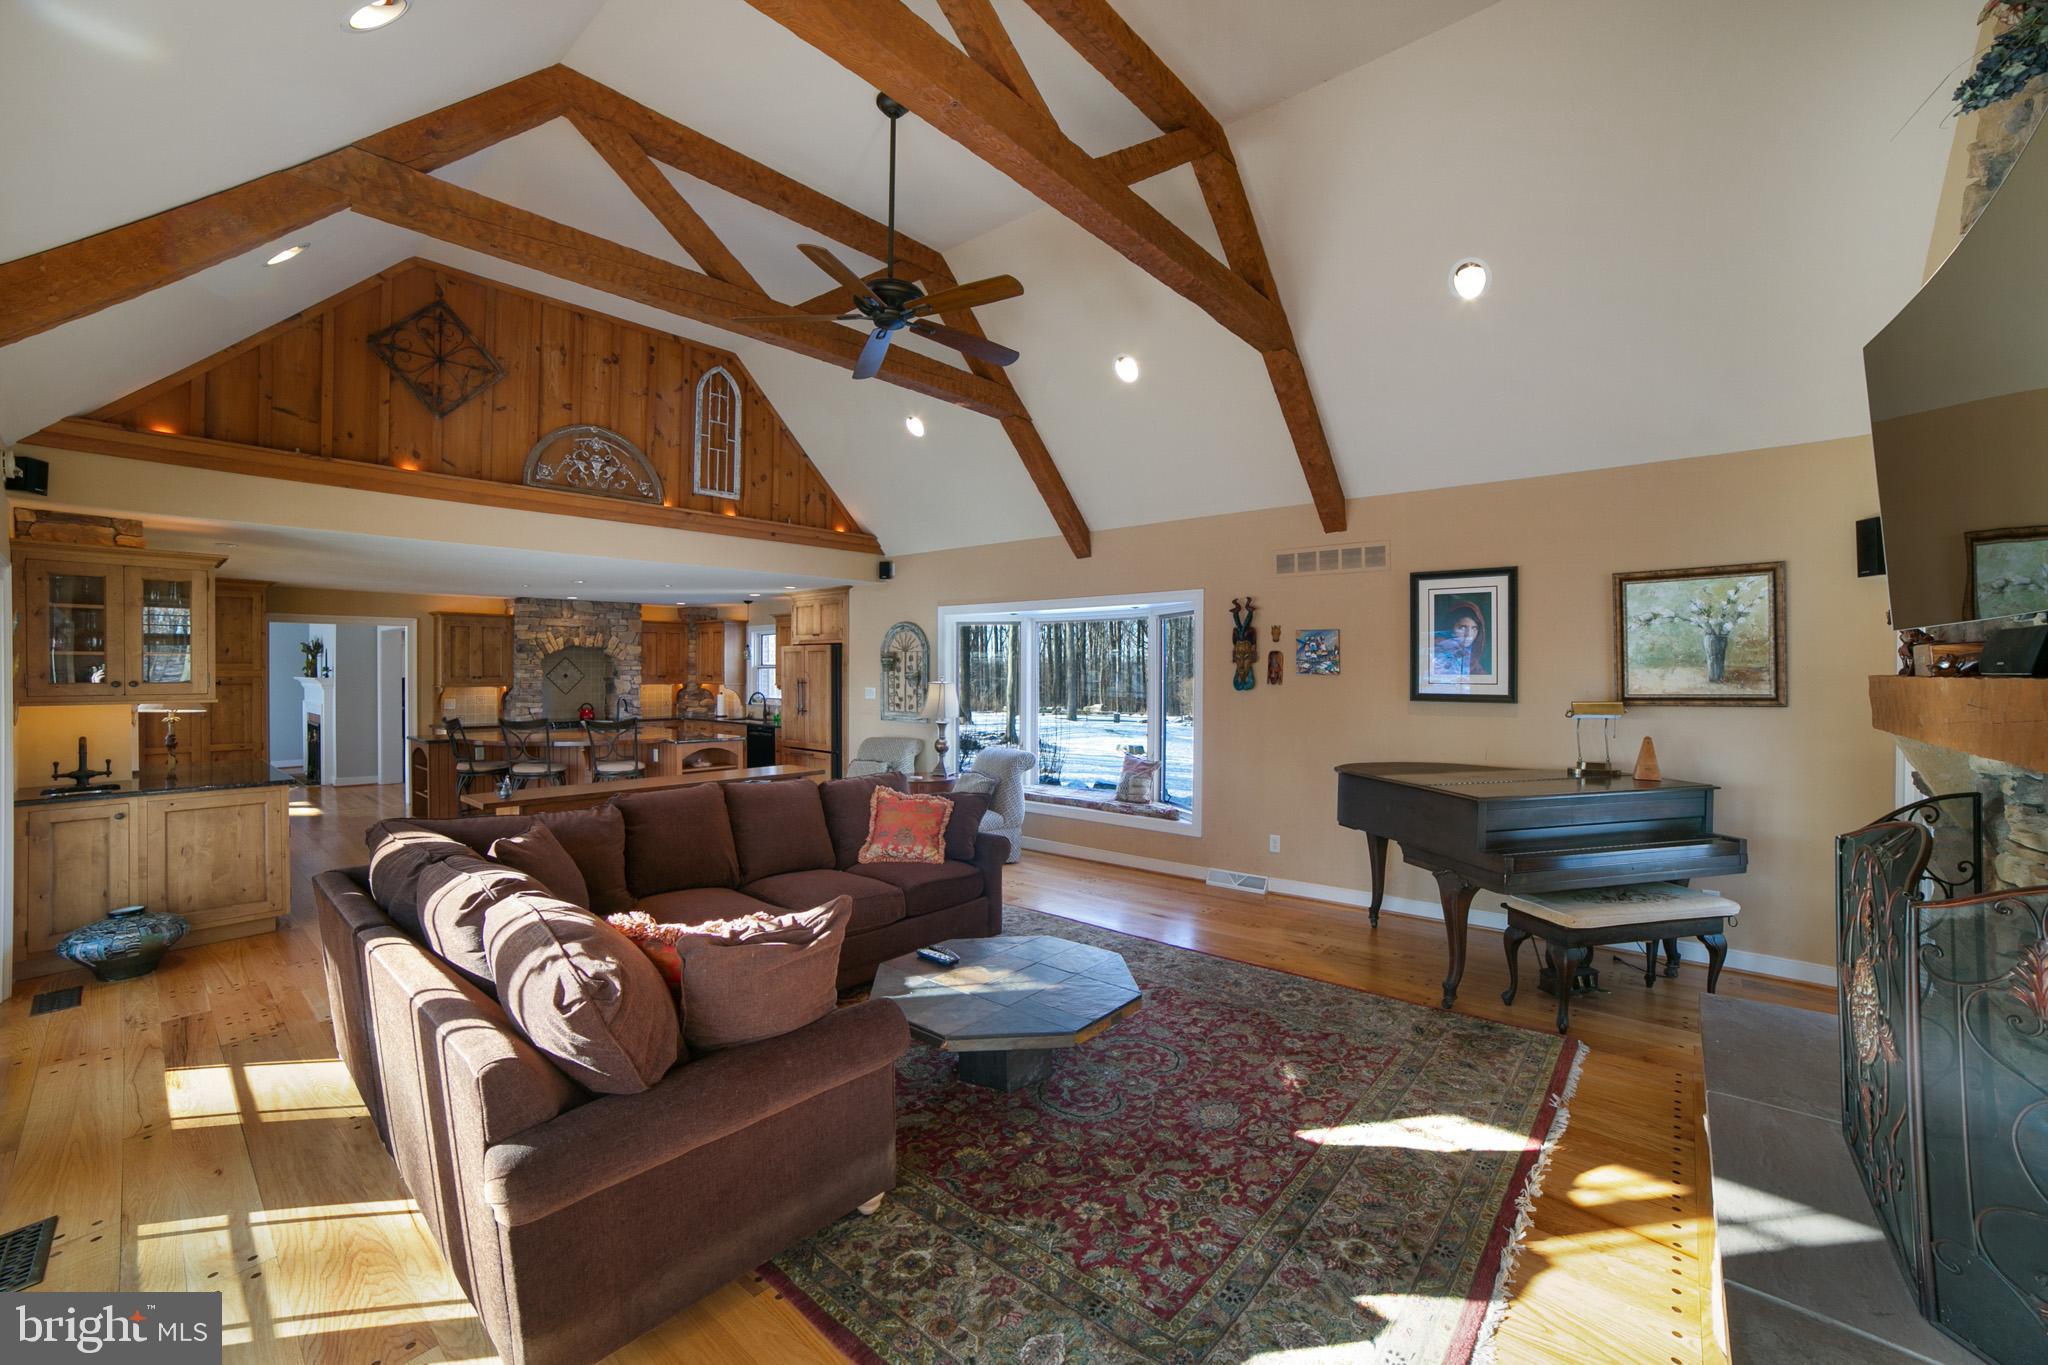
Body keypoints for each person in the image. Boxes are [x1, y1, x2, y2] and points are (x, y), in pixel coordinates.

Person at [1432, 600, 1489, 678]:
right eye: (1462, 627)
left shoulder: (1473, 661)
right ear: (1450, 627)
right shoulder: (1436, 654)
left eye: (1474, 628)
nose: (1469, 634)